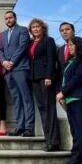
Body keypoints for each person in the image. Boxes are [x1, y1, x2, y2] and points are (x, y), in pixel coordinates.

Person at [57, 22, 82, 164]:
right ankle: (77, 156)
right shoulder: (60, 51)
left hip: (80, 95)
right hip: (67, 97)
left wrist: (63, 92)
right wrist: (61, 92)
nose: (64, 32)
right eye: (62, 30)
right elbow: (62, 74)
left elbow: (79, 75)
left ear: (73, 31)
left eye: (67, 29)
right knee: (75, 129)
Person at [0, 11, 35, 136]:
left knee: (26, 98)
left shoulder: (22, 30)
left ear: (15, 18)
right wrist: (3, 62)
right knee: (16, 99)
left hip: (20, 68)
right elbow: (0, 50)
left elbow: (22, 46)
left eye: (10, 17)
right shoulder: (3, 35)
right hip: (8, 71)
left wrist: (12, 61)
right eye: (6, 18)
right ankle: (20, 126)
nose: (8, 20)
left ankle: (29, 128)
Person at [28, 18, 59, 151]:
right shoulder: (30, 43)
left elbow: (52, 59)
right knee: (42, 109)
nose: (35, 29)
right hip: (34, 77)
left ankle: (54, 142)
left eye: (37, 26)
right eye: (33, 27)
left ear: (43, 28)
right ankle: (48, 140)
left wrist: (49, 76)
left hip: (45, 78)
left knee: (49, 108)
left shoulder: (48, 40)